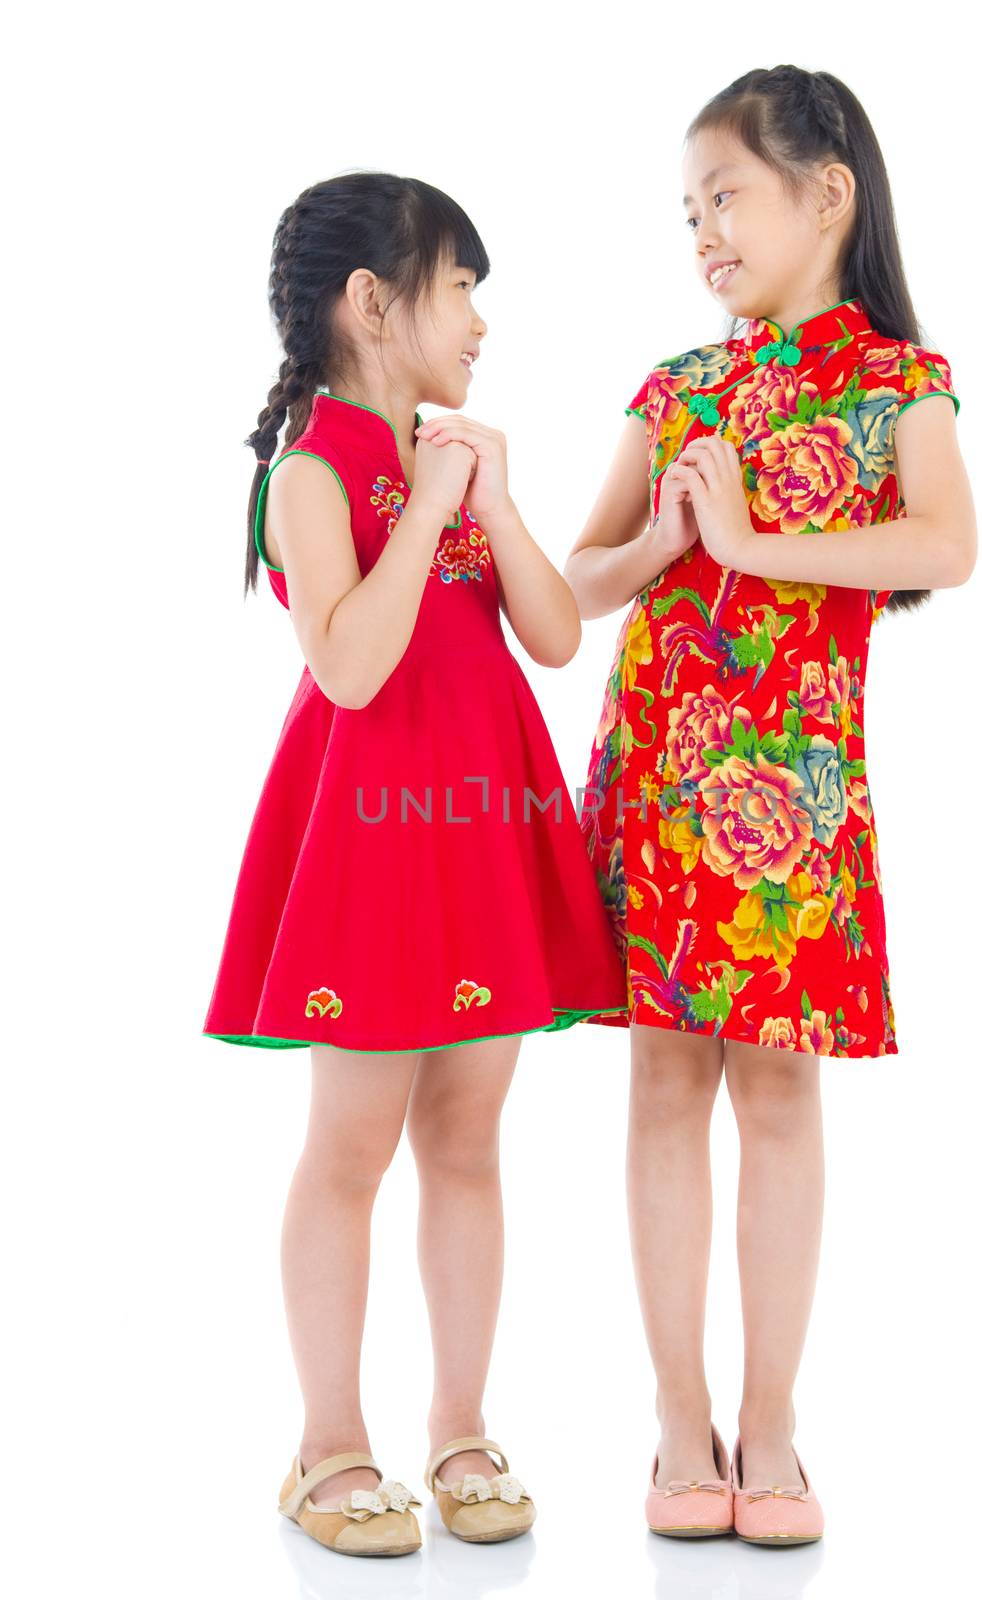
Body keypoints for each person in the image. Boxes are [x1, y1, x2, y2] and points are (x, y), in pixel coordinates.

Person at [566, 65, 976, 1544]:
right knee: (666, 1081)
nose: (703, 234)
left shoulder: (898, 384)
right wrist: (677, 533)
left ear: (826, 195)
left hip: (795, 796)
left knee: (784, 1092)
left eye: (724, 196)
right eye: (687, 212)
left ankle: (776, 1425)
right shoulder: (676, 386)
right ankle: (680, 1422)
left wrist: (754, 542)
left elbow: (946, 543)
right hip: (667, 781)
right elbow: (576, 580)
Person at [202, 172, 627, 1557]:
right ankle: (328, 1442)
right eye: (460, 287)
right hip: (371, 856)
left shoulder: (449, 454)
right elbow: (350, 660)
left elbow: (556, 638)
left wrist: (489, 501)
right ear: (373, 303)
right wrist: (435, 508)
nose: (482, 321)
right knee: (352, 1145)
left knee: (466, 1138)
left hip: (480, 836)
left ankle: (459, 1422)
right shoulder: (310, 471)